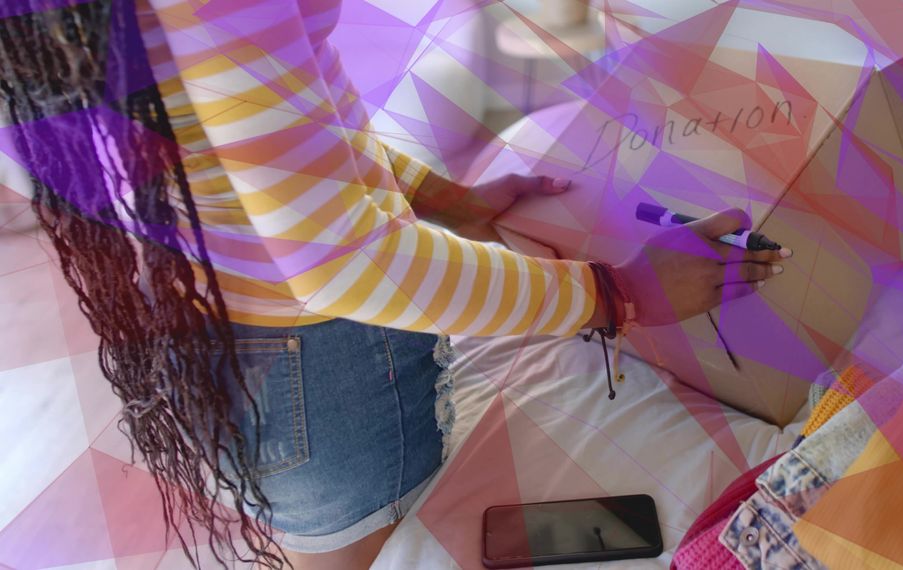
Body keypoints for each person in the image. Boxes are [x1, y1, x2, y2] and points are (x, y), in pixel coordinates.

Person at [0, 0, 791, 568]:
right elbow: (343, 265)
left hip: (201, 320)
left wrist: (444, 201)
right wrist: (618, 296)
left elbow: (252, 139)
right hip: (317, 365)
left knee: (316, 523)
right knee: (352, 548)